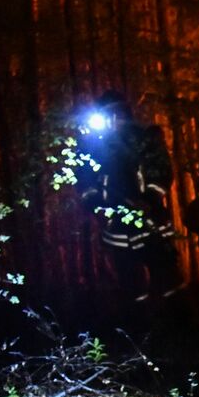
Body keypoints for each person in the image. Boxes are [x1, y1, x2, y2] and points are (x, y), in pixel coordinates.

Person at [75, 91, 182, 303]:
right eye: (107, 114)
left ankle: (174, 313)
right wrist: (95, 203)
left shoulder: (144, 139)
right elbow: (85, 178)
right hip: (116, 220)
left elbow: (161, 171)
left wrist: (149, 199)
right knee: (128, 276)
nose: (113, 118)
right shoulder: (93, 147)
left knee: (164, 272)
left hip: (149, 217)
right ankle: (138, 313)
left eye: (115, 112)